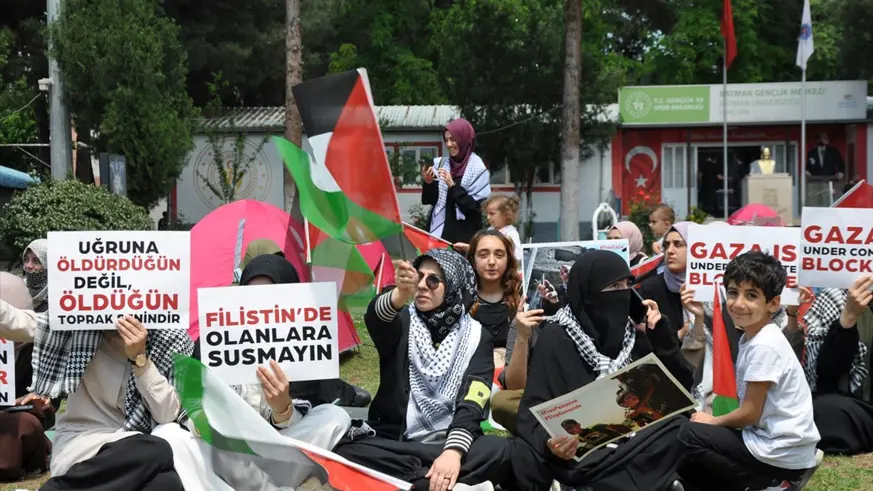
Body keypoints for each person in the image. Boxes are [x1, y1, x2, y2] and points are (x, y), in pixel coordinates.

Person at [510, 250, 693, 491]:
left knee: (681, 428)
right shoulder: (556, 338)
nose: (623, 293)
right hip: (582, 452)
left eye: (627, 285)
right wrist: (551, 442)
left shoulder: (633, 337)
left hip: (633, 443)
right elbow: (532, 412)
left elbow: (682, 387)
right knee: (525, 455)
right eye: (614, 286)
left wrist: (661, 334)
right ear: (588, 292)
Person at [333, 249, 511, 490]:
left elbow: (473, 401)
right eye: (419, 277)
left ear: (454, 286)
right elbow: (376, 319)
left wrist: (453, 453)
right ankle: (432, 481)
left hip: (447, 441)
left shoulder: (478, 337)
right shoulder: (403, 321)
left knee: (501, 450)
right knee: (345, 449)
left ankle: (415, 480)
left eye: (434, 280)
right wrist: (399, 294)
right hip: (396, 441)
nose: (422, 285)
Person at [678, 252, 821, 491]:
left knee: (690, 433)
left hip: (779, 452)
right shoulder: (754, 336)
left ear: (773, 303)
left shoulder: (764, 344)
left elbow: (750, 414)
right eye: (733, 292)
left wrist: (712, 421)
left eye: (751, 295)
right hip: (776, 445)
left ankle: (771, 484)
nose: (738, 303)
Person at [801, 276, 873, 455]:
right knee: (826, 410)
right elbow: (827, 373)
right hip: (854, 407)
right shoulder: (836, 298)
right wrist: (849, 317)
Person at [0, 273, 52, 481]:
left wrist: (33, 400)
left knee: (27, 423)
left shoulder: (37, 348)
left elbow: (49, 405)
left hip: (13, 419)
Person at [422, 118, 491, 244]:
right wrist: (428, 182)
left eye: (453, 139)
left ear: (464, 139)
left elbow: (474, 208)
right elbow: (430, 200)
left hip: (464, 239)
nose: (449, 144)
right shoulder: (441, 164)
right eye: (446, 140)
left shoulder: (478, 170)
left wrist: (453, 186)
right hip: (438, 235)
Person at [465, 230, 523, 370]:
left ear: (508, 259)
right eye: (483, 255)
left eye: (499, 255)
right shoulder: (460, 300)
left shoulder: (522, 296)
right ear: (473, 260)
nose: (491, 262)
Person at [638, 223, 691, 341]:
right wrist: (678, 335)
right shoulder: (650, 288)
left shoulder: (710, 289)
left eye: (678, 244)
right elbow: (641, 334)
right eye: (666, 245)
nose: (670, 251)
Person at [455, 195, 522, 265]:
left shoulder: (511, 234)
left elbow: (516, 258)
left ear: (506, 215)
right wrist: (467, 248)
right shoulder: (490, 230)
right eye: (487, 214)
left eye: (492, 214)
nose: (488, 217)